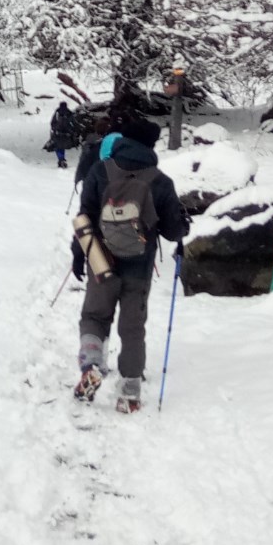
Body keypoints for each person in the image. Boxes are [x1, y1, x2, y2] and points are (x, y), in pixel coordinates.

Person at [70, 114, 189, 413]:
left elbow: (84, 217)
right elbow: (173, 230)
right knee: (132, 327)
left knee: (95, 317)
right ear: (150, 145)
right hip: (139, 265)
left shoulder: (99, 170)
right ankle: (130, 393)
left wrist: (78, 253)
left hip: (101, 262)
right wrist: (182, 223)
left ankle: (93, 363)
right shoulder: (160, 181)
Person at [46, 99, 81, 167]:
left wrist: (54, 129)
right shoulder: (69, 113)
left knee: (58, 147)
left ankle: (61, 159)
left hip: (58, 133)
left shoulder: (57, 113)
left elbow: (52, 122)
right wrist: (75, 131)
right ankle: (62, 159)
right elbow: (74, 122)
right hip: (67, 133)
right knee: (62, 146)